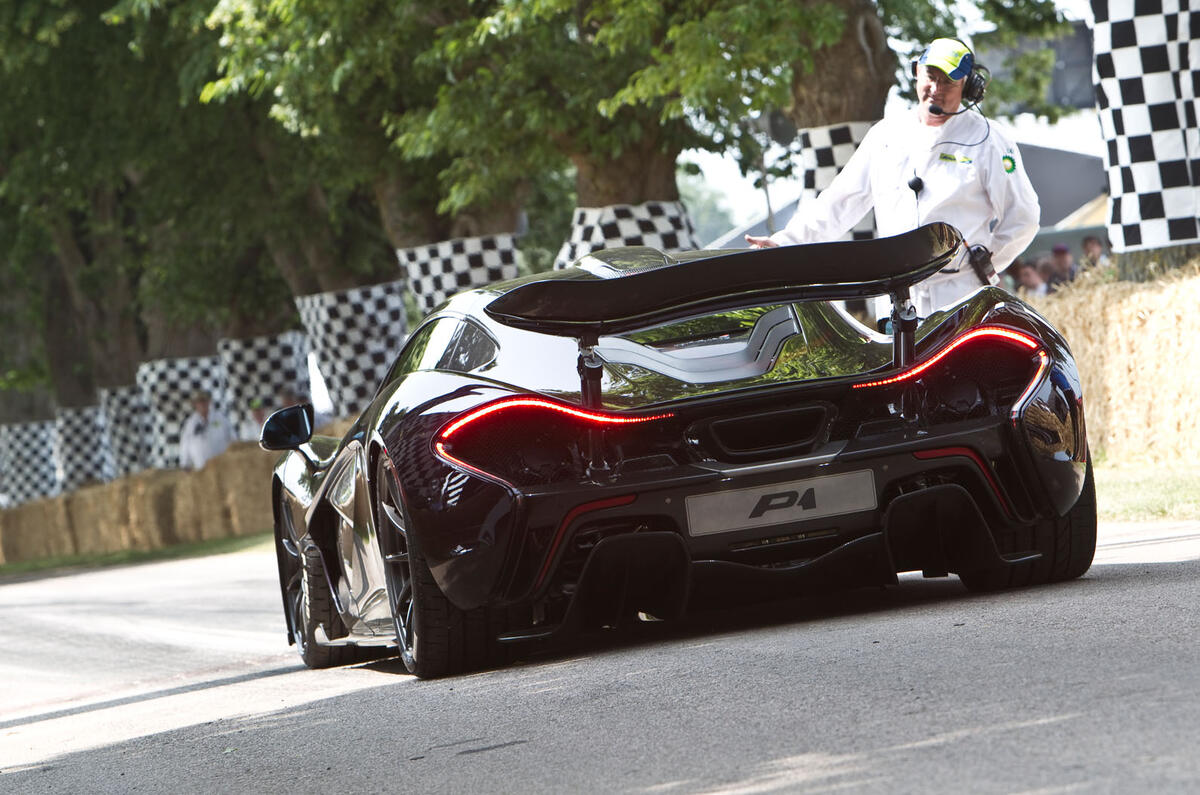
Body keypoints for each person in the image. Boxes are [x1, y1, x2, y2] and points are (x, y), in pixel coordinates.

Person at [746, 38, 1041, 317]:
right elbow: (839, 203)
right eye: (930, 76)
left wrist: (983, 263)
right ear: (916, 73)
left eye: (948, 81)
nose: (936, 88)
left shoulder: (989, 139)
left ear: (968, 86)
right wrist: (784, 243)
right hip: (895, 299)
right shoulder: (886, 135)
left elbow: (1023, 219)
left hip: (961, 296)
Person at [178, 389, 236, 470]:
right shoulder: (190, 423)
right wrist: (185, 463)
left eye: (204, 401)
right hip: (201, 470)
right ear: (195, 404)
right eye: (199, 402)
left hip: (222, 467)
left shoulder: (220, 418)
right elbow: (185, 444)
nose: (202, 404)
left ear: (209, 402)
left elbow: (232, 438)